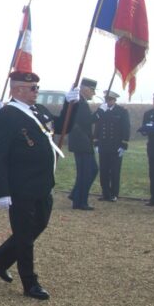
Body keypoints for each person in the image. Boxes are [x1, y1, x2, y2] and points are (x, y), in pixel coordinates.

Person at [0, 71, 78, 300]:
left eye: (37, 87)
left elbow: (62, 127)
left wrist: (70, 105)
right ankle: (30, 283)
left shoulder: (39, 110)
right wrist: (2, 191)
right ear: (17, 90)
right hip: (20, 185)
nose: (36, 91)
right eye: (32, 88)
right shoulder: (6, 115)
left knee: (39, 224)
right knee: (25, 236)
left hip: (43, 182)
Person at [67, 78, 98, 210]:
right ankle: (80, 201)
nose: (93, 93)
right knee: (87, 172)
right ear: (85, 88)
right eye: (92, 90)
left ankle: (76, 195)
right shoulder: (80, 103)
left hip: (81, 141)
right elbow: (86, 121)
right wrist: (100, 113)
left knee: (88, 171)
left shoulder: (81, 101)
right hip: (82, 142)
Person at [93, 90, 130, 202]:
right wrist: (96, 142)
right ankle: (105, 193)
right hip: (104, 145)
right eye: (107, 100)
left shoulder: (121, 111)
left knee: (114, 171)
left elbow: (126, 128)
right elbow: (97, 127)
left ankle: (114, 193)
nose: (108, 102)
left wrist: (124, 144)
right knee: (104, 171)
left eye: (110, 100)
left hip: (115, 146)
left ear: (114, 100)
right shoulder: (101, 110)